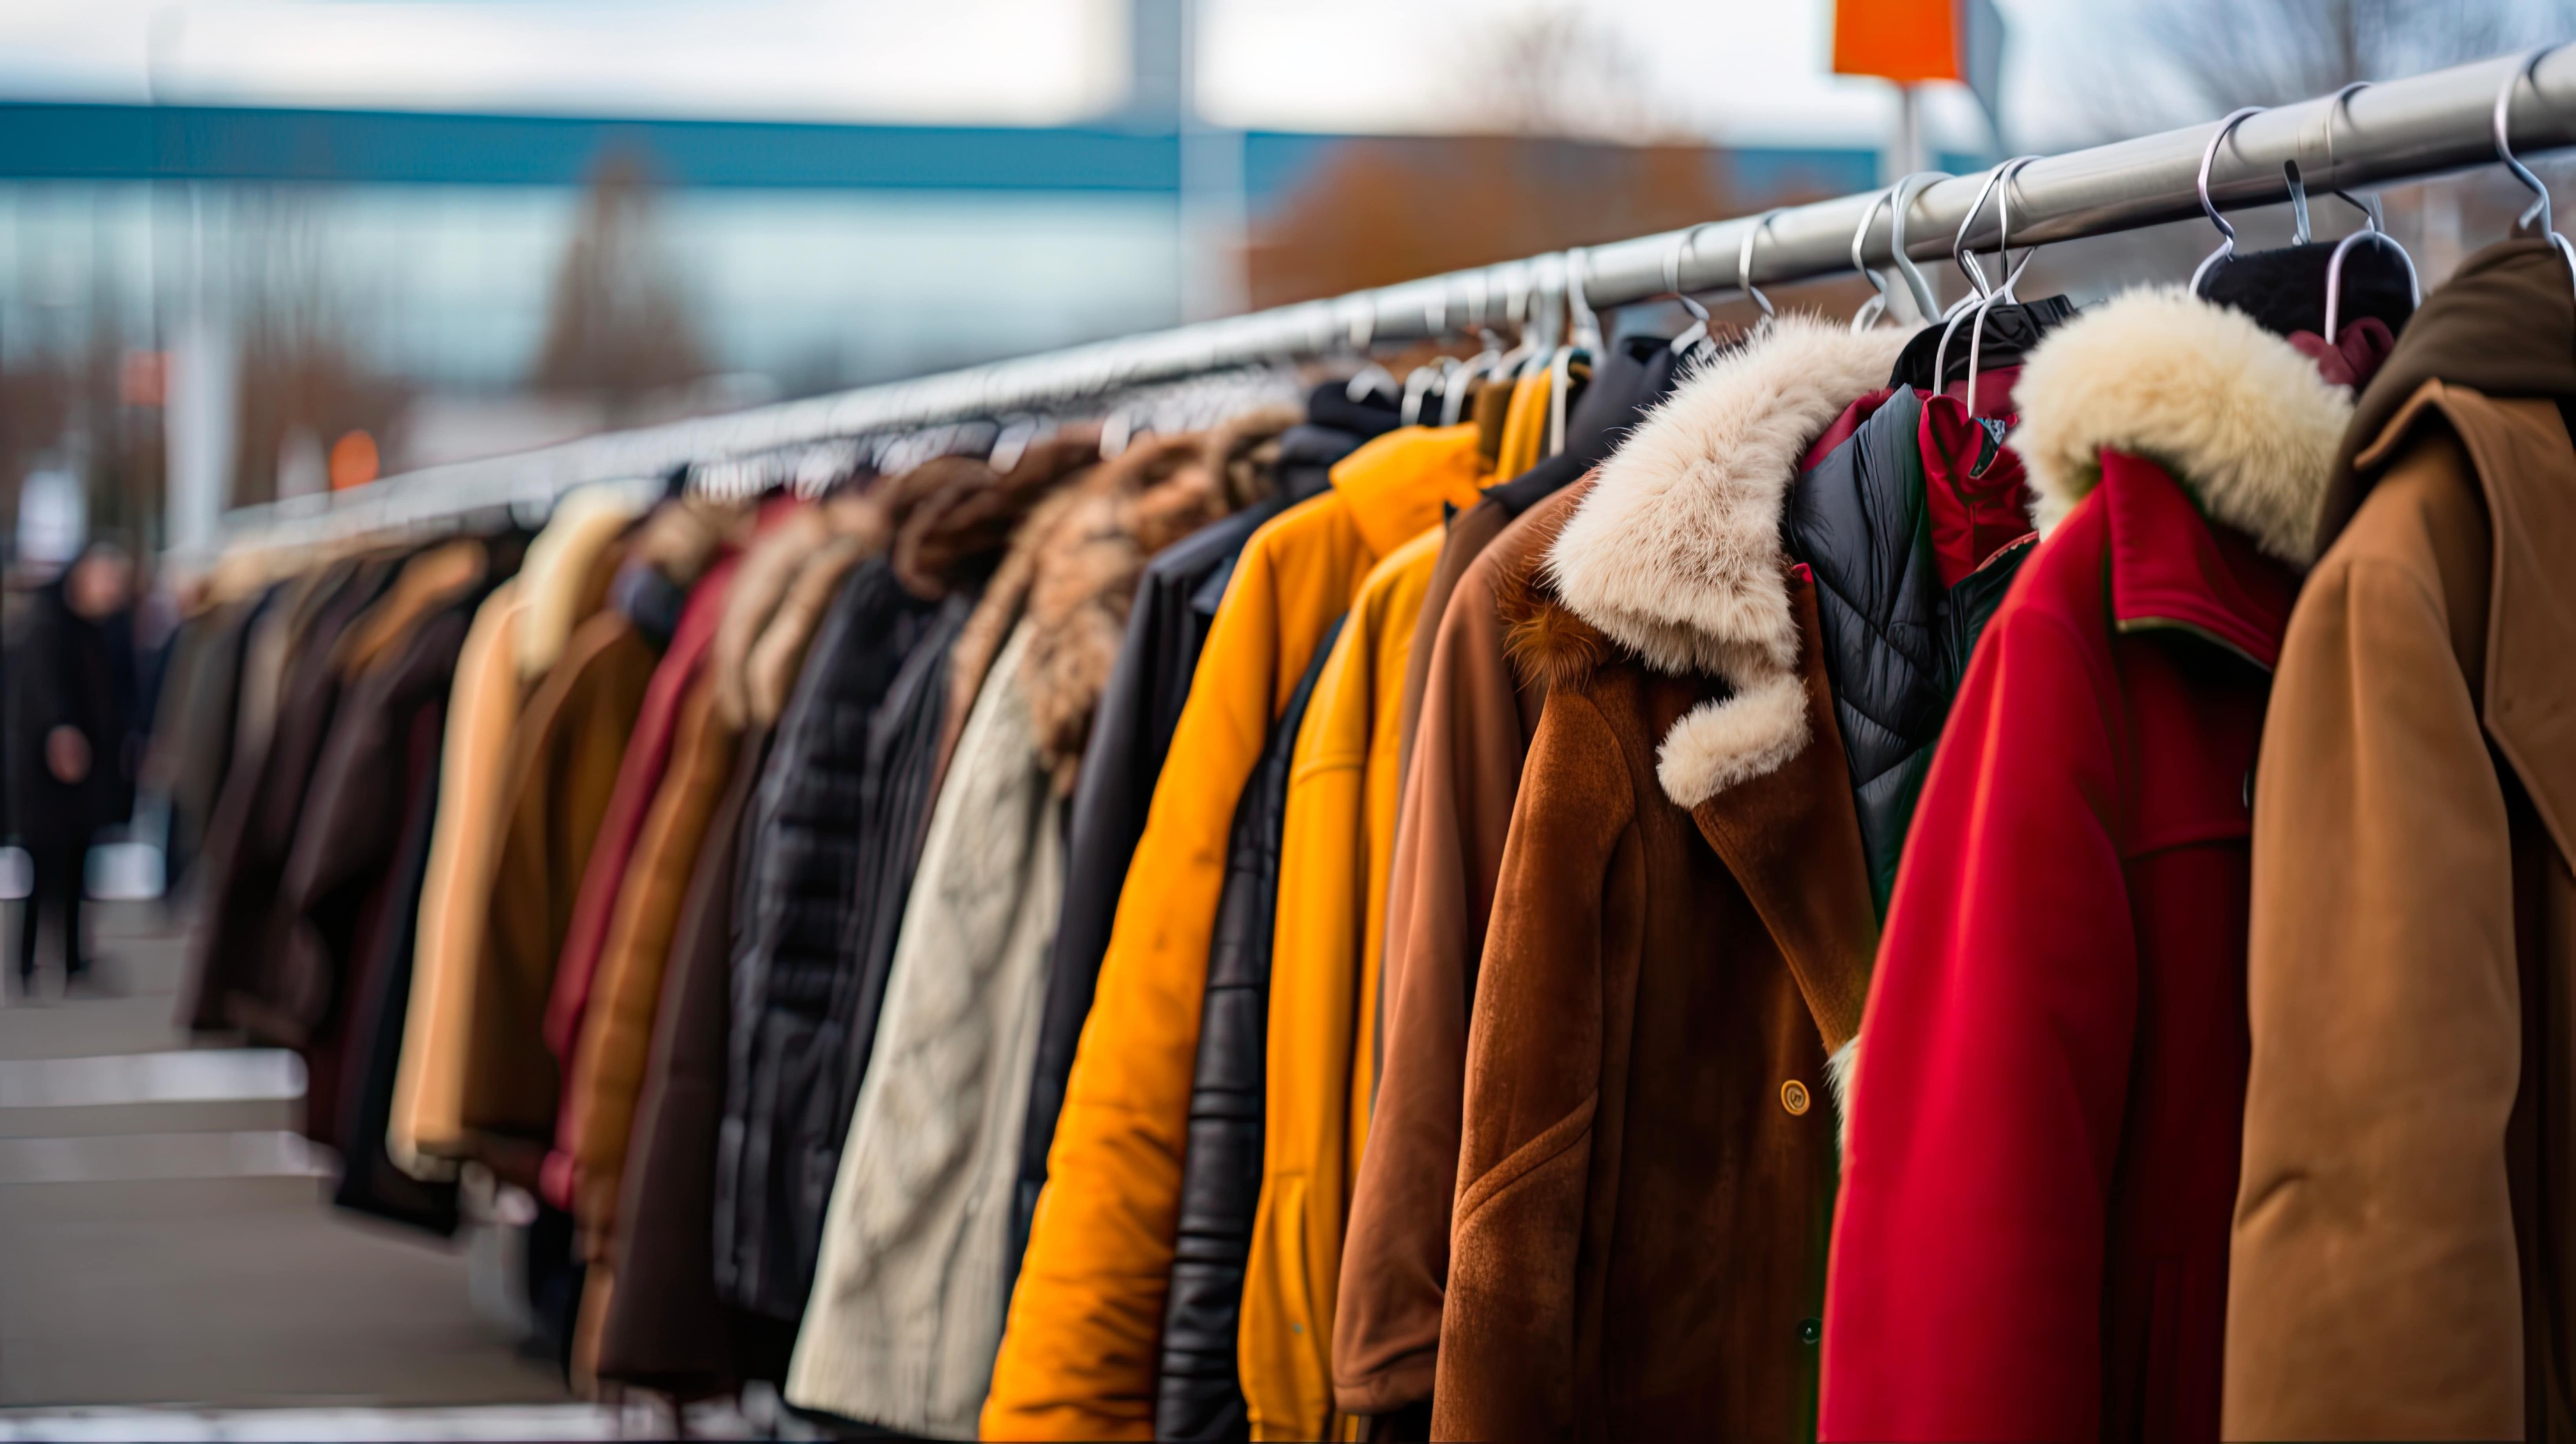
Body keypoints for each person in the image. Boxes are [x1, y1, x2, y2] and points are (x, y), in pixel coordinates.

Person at [6, 542, 136, 994]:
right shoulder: (46, 625)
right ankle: (24, 964)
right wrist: (61, 732)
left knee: (79, 866)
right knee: (44, 869)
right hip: (47, 777)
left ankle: (72, 960)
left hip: (82, 775)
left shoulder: (92, 628)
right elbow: (42, 696)